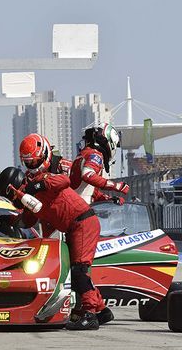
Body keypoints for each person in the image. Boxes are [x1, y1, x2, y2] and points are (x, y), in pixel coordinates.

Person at [9, 133, 110, 330]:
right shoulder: (31, 193)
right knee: (77, 272)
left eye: (35, 161)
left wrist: (35, 186)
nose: (33, 165)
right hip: (75, 226)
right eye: (29, 163)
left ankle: (90, 314)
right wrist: (5, 219)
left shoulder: (45, 178)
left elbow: (63, 181)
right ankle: (101, 309)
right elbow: (27, 220)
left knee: (79, 271)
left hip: (82, 223)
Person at [70, 124, 130, 205]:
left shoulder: (85, 153)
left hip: (75, 204)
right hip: (80, 207)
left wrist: (108, 199)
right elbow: (87, 175)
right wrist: (116, 186)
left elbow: (89, 191)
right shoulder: (96, 154)